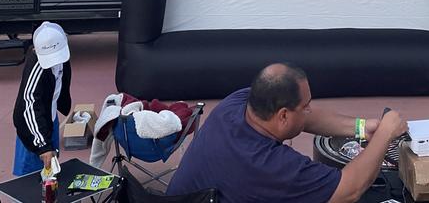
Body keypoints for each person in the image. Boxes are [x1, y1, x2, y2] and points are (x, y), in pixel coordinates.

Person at [167, 62, 409, 203]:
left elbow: (305, 118)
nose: (309, 110)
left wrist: (361, 128)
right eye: (305, 106)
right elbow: (349, 190)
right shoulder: (271, 166)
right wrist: (385, 133)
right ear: (283, 115)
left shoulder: (235, 104)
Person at [12, 22, 72, 176]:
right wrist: (42, 145)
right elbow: (29, 104)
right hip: (32, 127)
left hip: (50, 117)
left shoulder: (64, 57)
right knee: (29, 175)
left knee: (50, 169)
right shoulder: (37, 67)